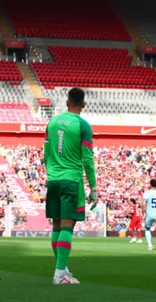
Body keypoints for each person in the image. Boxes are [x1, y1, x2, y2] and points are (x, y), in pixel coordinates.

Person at [43, 87, 98, 285]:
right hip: (71, 180)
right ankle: (59, 274)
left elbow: (46, 152)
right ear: (84, 104)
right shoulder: (83, 125)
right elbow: (88, 159)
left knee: (56, 226)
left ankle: (63, 269)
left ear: (66, 103)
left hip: (54, 180)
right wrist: (94, 187)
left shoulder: (52, 122)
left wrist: (51, 174)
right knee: (68, 225)